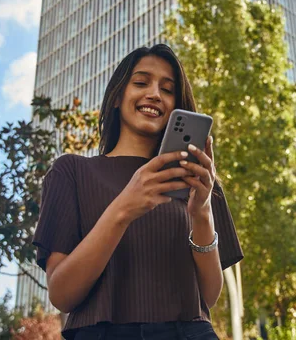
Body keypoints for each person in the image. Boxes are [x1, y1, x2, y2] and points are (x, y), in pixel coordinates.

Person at [32, 44, 244, 340]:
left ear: (176, 107)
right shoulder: (72, 172)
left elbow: (207, 297)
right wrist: (123, 210)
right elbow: (62, 294)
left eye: (167, 90)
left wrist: (202, 214)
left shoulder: (199, 180)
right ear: (118, 95)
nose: (155, 94)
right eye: (141, 82)